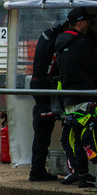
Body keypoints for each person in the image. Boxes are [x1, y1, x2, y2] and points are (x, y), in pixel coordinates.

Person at [54, 8, 97, 188]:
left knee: (74, 138)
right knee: (89, 136)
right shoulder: (81, 43)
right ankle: (87, 172)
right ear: (80, 23)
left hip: (69, 100)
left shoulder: (60, 41)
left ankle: (82, 174)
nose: (88, 24)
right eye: (86, 21)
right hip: (85, 97)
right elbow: (94, 68)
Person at [28, 19, 67, 181]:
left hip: (38, 85)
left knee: (41, 130)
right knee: (43, 132)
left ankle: (37, 168)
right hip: (44, 88)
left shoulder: (46, 35)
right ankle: (36, 170)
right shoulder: (56, 40)